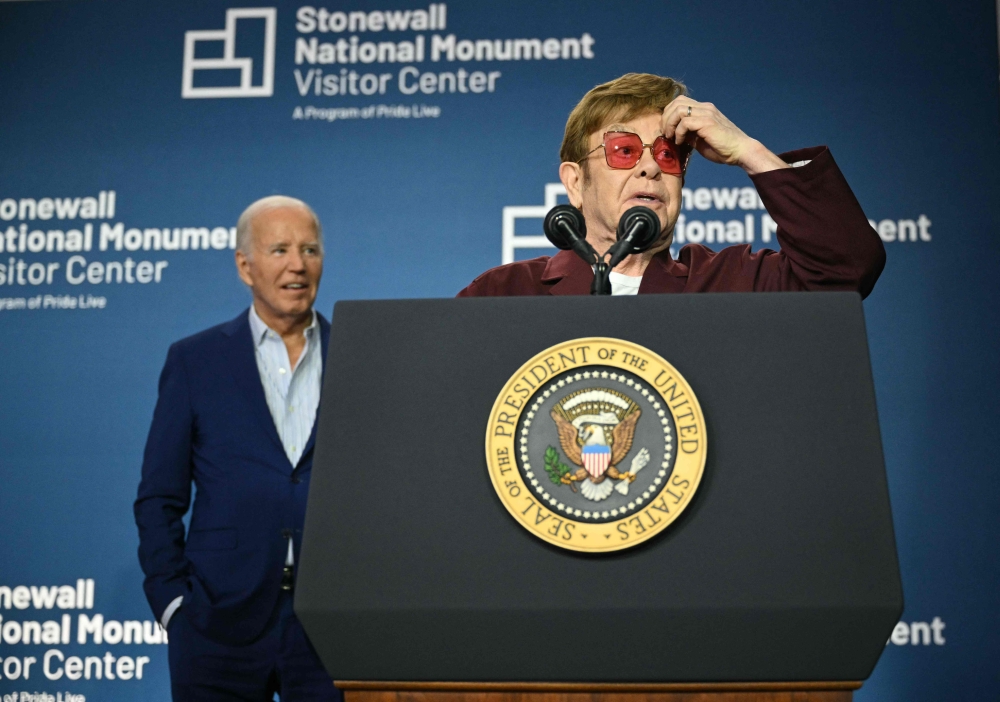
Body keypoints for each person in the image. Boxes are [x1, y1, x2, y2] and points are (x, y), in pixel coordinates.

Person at [134, 196, 341, 701]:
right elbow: (159, 496)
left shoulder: (359, 354)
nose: (298, 264)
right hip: (216, 623)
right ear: (244, 266)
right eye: (280, 249)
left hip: (332, 625)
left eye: (310, 249)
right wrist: (173, 605)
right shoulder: (194, 361)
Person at [458, 73, 885, 297]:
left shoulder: (732, 285)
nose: (650, 169)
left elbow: (845, 268)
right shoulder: (504, 295)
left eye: (667, 155)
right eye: (624, 150)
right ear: (575, 182)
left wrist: (748, 151)